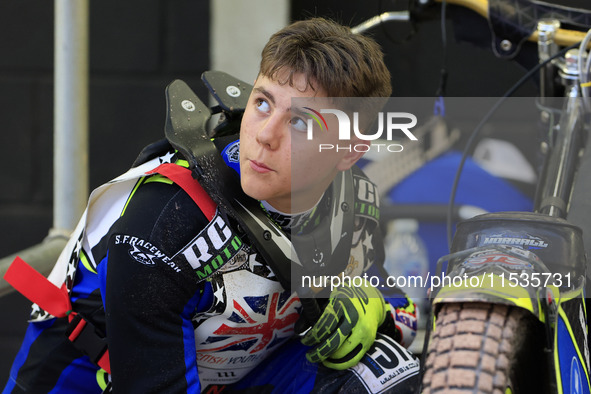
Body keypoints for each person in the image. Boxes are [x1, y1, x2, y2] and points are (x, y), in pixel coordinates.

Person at [3, 17, 419, 393]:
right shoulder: (167, 222)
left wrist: (375, 310)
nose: (264, 135)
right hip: (92, 384)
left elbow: (403, 312)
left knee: (387, 370)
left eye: (300, 122)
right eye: (262, 103)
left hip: (228, 377)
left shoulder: (355, 199)